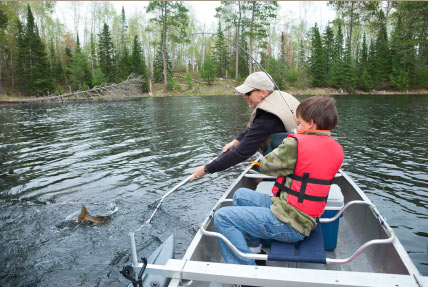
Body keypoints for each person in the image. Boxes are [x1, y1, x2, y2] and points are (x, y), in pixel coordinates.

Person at [213, 96, 344, 265]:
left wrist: (290, 141)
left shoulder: (295, 144)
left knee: (222, 217)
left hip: (289, 223)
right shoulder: (336, 149)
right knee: (240, 195)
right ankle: (254, 251)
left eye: (299, 123)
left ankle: (244, 274)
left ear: (310, 123)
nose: (297, 127)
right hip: (300, 216)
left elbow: (266, 166)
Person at [190, 71, 299, 181]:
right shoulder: (279, 98)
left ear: (263, 93)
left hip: (292, 168)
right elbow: (252, 129)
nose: (244, 96)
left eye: (248, 93)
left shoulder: (268, 117)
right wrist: (235, 141)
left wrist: (206, 169)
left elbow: (242, 152)